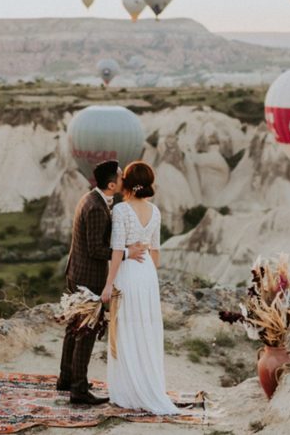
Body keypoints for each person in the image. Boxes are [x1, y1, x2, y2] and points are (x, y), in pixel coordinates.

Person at [58, 160, 147, 406]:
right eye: (120, 177)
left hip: (77, 271)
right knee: (85, 331)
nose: (123, 179)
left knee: (74, 327)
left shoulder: (91, 199)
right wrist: (127, 253)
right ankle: (78, 390)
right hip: (88, 277)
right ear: (111, 184)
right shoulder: (97, 207)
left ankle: (66, 379)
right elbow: (96, 249)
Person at [101, 161, 179, 415]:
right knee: (145, 328)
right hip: (147, 273)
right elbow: (155, 251)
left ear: (129, 183)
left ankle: (128, 391)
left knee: (125, 328)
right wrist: (149, 277)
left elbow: (116, 250)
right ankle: (148, 385)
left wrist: (109, 282)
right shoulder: (155, 211)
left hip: (128, 271)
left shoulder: (121, 211)